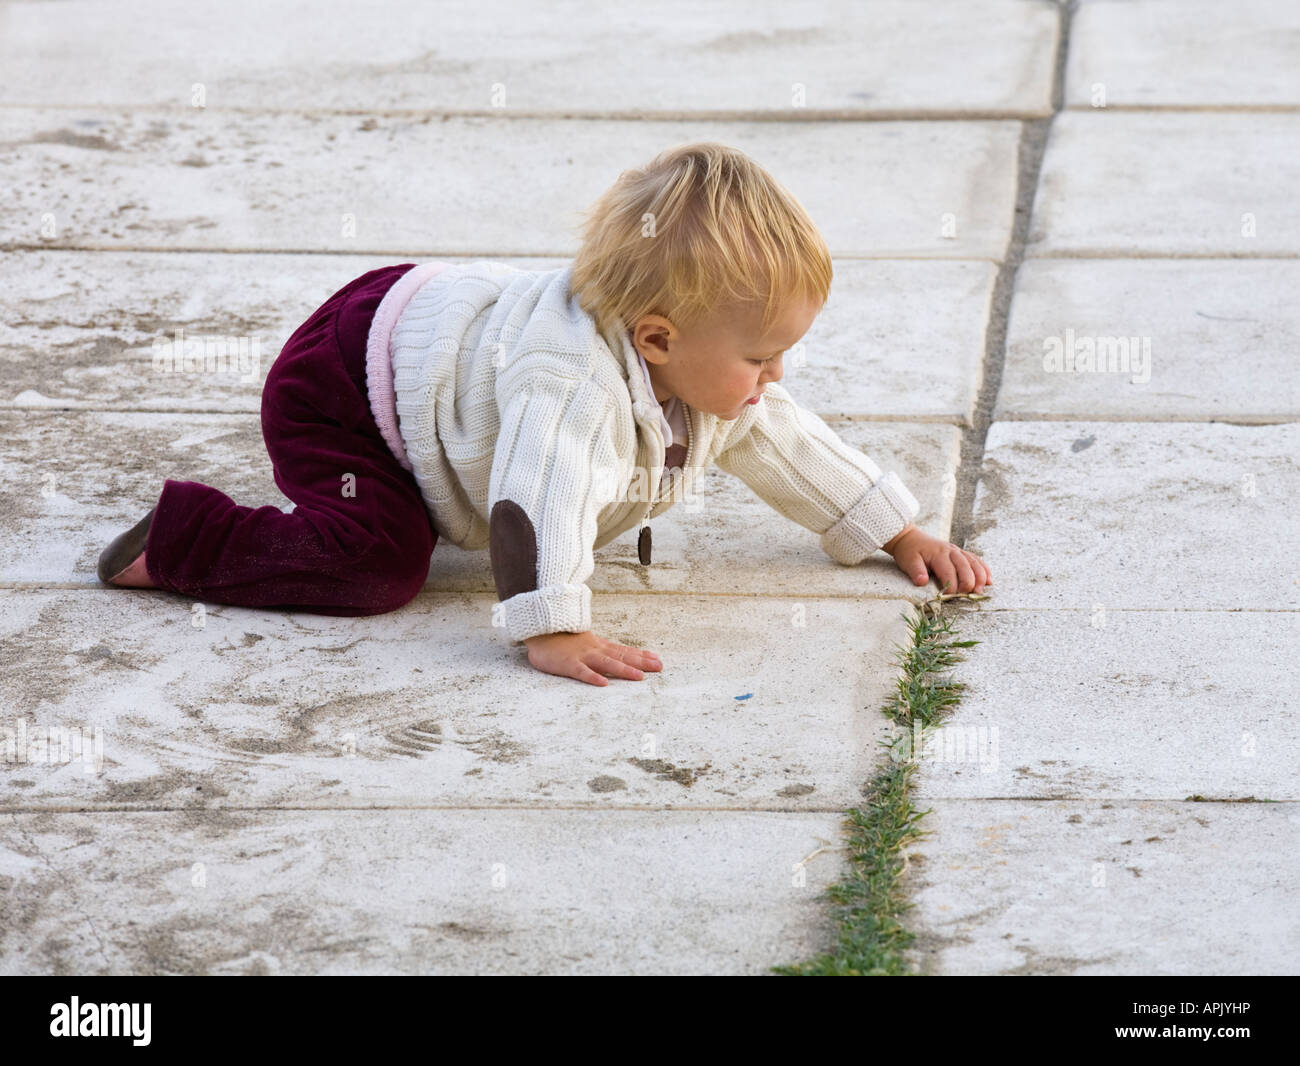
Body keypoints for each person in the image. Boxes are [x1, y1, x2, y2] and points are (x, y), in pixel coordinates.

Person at [98, 141, 991, 687]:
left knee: (743, 412)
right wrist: (554, 626)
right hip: (346, 387)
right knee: (379, 563)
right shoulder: (570, 385)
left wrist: (894, 530)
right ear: (657, 339)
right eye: (761, 356)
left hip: (429, 329)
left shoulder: (704, 369)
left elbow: (786, 441)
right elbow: (536, 498)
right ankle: (184, 539)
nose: (776, 374)